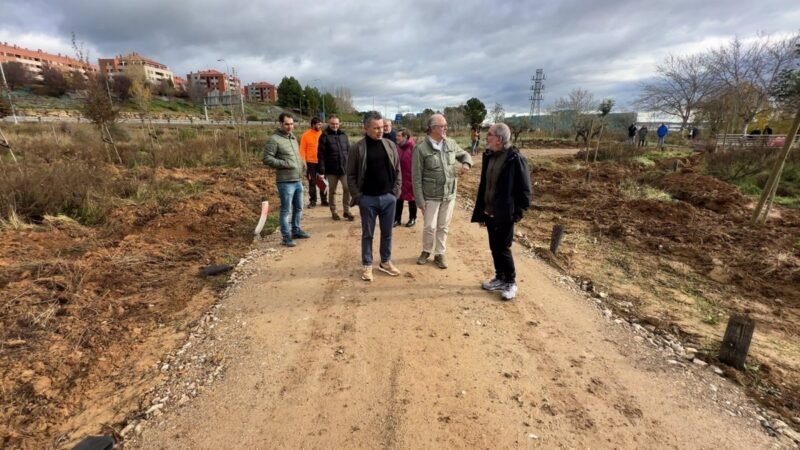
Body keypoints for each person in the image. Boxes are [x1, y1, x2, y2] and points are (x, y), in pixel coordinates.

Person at [471, 123, 531, 301]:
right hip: (490, 212)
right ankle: (499, 277)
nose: (486, 137)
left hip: (505, 214)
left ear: (499, 139)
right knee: (494, 247)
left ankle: (511, 282)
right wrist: (482, 212)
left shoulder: (515, 159)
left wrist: (516, 214)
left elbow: (525, 191)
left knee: (503, 248)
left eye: (489, 134)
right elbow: (485, 186)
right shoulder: (490, 156)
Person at [412, 113, 473, 269]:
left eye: (446, 125)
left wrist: (466, 164)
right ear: (433, 128)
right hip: (430, 196)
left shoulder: (450, 144)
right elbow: (416, 178)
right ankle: (426, 251)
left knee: (443, 226)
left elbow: (465, 154)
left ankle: (439, 254)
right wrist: (420, 201)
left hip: (449, 194)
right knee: (429, 227)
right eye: (442, 126)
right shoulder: (421, 149)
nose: (446, 128)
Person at [347, 111, 402, 282]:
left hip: (388, 198)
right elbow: (351, 175)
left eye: (382, 127)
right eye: (376, 128)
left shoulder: (390, 145)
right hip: (368, 199)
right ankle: (367, 265)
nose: (380, 131)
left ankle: (385, 262)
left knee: (387, 233)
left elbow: (397, 170)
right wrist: (359, 196)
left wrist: (395, 193)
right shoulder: (357, 148)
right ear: (366, 128)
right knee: (367, 234)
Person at [263, 113, 310, 247]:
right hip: (285, 182)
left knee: (299, 207)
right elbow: (267, 158)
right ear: (280, 124)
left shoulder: (293, 138)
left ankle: (295, 230)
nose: (290, 127)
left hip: (297, 179)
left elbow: (295, 156)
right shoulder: (274, 139)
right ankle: (286, 237)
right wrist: (284, 163)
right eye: (287, 124)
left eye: (291, 124)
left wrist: (302, 164)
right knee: (286, 210)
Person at [317, 115, 354, 221]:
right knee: (332, 191)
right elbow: (321, 155)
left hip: (344, 169)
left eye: (336, 124)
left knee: (347, 188)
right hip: (331, 170)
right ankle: (334, 212)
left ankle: (346, 211)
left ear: (339, 124)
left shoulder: (343, 135)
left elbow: (349, 150)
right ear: (329, 124)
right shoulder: (324, 136)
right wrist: (321, 171)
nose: (335, 126)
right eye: (333, 124)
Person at [300, 117, 326, 208]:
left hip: (322, 162)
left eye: (321, 124)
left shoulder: (323, 134)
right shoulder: (305, 135)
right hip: (310, 163)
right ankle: (313, 201)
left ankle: (324, 200)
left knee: (322, 182)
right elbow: (302, 149)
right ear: (313, 125)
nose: (320, 126)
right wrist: (303, 162)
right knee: (312, 182)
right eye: (318, 124)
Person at [394, 128, 417, 227]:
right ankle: (396, 219)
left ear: (405, 137)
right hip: (400, 178)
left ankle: (412, 218)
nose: (396, 137)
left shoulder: (413, 147)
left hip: (411, 178)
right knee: (398, 199)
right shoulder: (398, 147)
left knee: (412, 200)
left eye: (399, 136)